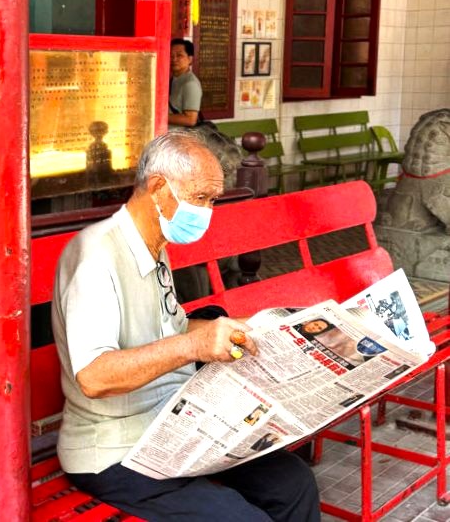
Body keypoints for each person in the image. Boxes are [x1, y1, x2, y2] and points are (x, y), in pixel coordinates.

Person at [52, 131, 320, 521]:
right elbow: (94, 377)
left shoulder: (153, 245)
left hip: (171, 423)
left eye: (212, 200)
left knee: (292, 483)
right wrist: (194, 347)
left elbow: (173, 329)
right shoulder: (97, 258)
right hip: (113, 447)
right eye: (201, 199)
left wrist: (255, 329)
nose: (207, 211)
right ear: (158, 188)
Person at [169, 38, 202, 127]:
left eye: (179, 55)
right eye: (171, 55)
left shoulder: (190, 84)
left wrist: (158, 117)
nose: (174, 59)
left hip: (180, 139)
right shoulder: (174, 79)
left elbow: (190, 120)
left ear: (190, 59)